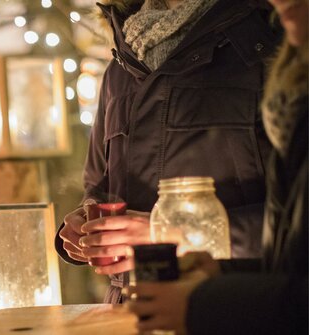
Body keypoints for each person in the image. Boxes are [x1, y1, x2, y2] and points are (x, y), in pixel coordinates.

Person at [55, 0, 282, 304]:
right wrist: (87, 224)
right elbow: (99, 184)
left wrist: (170, 233)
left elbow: (297, 221)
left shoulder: (271, 46)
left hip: (238, 308)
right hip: (131, 312)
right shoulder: (120, 67)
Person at [127, 0, 308, 333]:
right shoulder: (123, 55)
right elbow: (294, 261)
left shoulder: (252, 44)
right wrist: (221, 276)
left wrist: (206, 302)